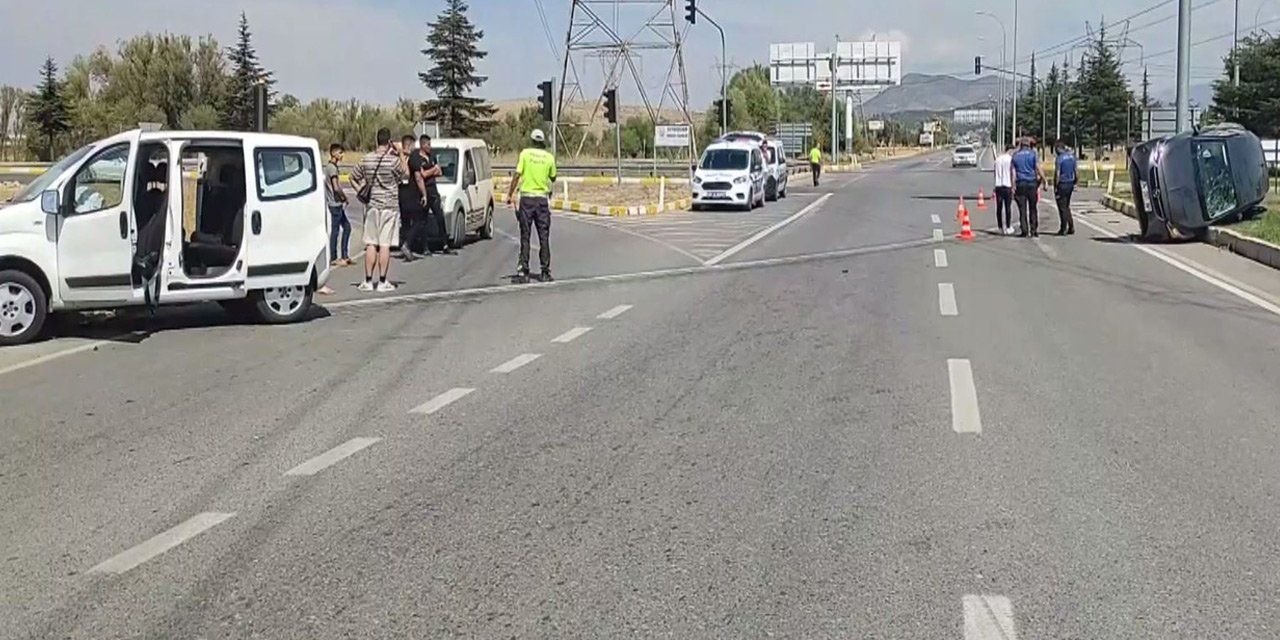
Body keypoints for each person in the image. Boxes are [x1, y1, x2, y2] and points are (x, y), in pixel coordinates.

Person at [349, 127, 408, 292]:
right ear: (389, 142)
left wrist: (360, 191)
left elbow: (353, 176)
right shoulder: (393, 161)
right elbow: (406, 174)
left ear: (376, 140)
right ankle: (382, 281)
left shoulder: (366, 159)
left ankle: (368, 281)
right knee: (385, 244)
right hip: (389, 206)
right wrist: (401, 154)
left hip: (372, 206)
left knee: (370, 243)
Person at [505, 129, 557, 283]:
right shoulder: (549, 157)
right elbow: (553, 177)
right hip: (541, 201)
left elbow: (517, 174)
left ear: (532, 140)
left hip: (527, 200)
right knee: (544, 237)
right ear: (542, 142)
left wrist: (509, 194)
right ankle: (545, 272)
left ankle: (524, 272)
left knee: (525, 236)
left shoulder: (525, 154)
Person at [416, 135, 455, 256]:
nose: (430, 147)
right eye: (428, 144)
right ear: (422, 145)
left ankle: (445, 244)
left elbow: (439, 171)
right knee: (423, 221)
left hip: (434, 192)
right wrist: (432, 171)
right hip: (424, 192)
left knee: (440, 218)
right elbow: (422, 175)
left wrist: (431, 171)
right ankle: (425, 247)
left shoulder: (432, 157)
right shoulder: (418, 159)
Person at [397, 134, 425, 261]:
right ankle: (406, 244)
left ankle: (404, 245)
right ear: (410, 145)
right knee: (419, 220)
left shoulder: (397, 157)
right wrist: (424, 194)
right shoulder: (413, 157)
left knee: (405, 222)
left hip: (401, 194)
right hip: (412, 194)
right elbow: (418, 177)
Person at [1010, 136, 1045, 238]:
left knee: (1022, 209)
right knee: (1033, 208)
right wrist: (1044, 180)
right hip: (1031, 183)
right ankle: (1034, 230)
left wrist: (1013, 186)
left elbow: (1013, 173)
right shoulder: (1033, 154)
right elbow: (1038, 168)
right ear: (1029, 145)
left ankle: (1024, 230)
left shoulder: (1015, 156)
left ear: (1021, 145)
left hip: (1021, 183)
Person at [324, 143, 352, 267]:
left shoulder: (330, 167)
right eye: (340, 153)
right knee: (338, 230)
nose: (342, 155)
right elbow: (336, 187)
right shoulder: (332, 169)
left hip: (335, 203)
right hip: (335, 204)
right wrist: (344, 197)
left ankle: (344, 256)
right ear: (334, 153)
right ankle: (335, 257)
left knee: (346, 227)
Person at [1054, 141, 1078, 235]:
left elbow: (1057, 173)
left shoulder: (1059, 159)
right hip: (1070, 183)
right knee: (1067, 206)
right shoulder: (1072, 157)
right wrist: (1076, 181)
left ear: (1059, 148)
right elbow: (1076, 171)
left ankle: (1063, 227)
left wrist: (1056, 186)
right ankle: (1071, 226)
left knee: (1062, 207)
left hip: (1062, 184)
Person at [993, 144, 1014, 235]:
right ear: (1010, 150)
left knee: (999, 207)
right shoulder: (1010, 160)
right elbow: (1012, 173)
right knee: (1008, 207)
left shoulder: (997, 159)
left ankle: (1000, 227)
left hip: (998, 186)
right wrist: (1013, 186)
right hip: (1007, 185)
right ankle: (1008, 227)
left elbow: (995, 173)